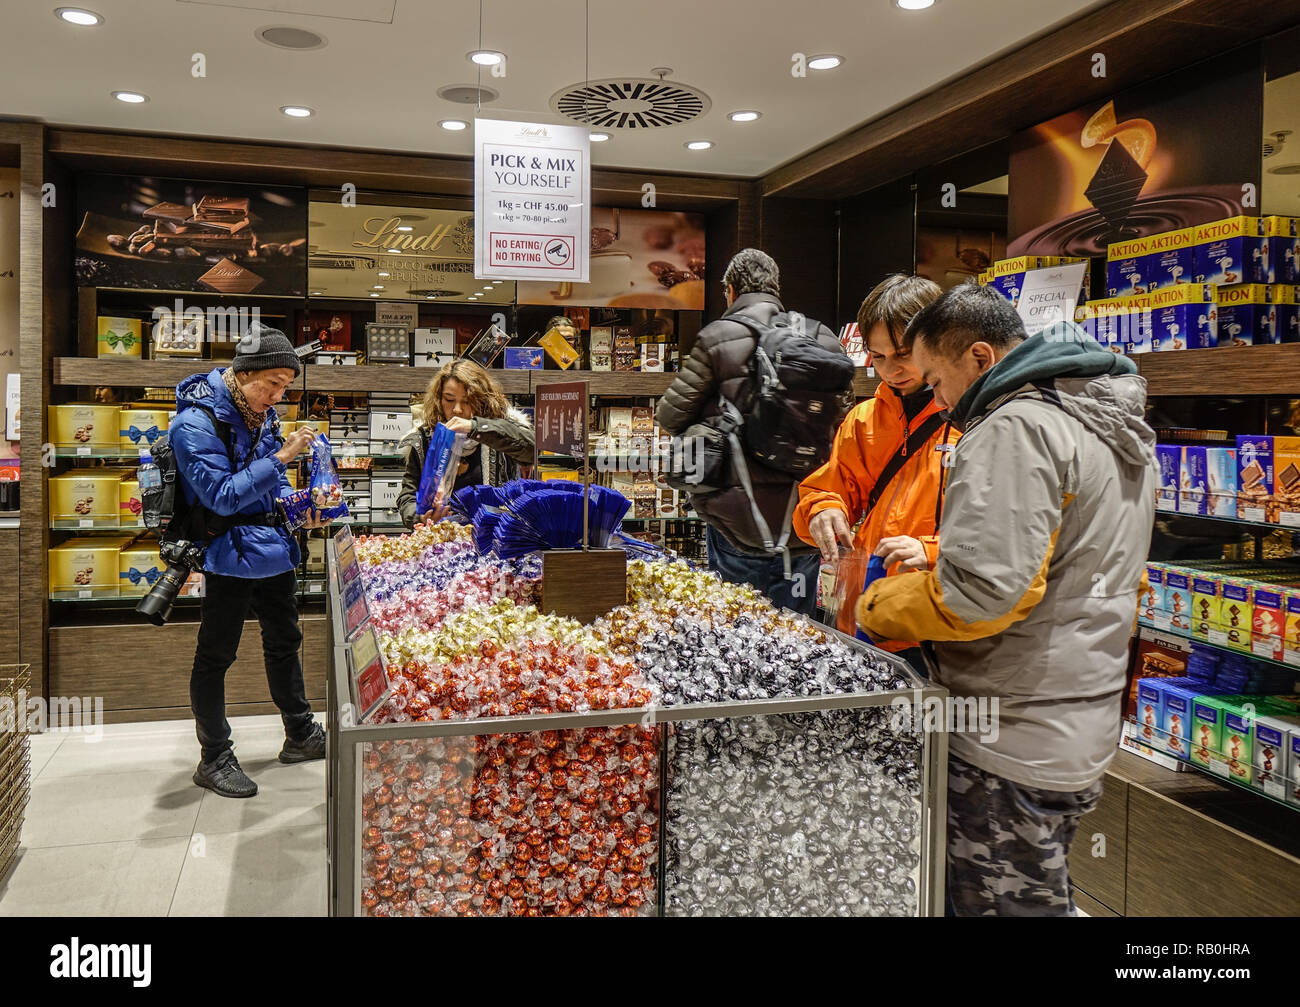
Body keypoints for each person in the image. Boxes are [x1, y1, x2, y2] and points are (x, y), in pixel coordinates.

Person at [854, 284, 1157, 917]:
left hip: (1012, 728)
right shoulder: (1105, 418)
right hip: (1076, 716)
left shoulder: (1016, 425)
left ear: (981, 357)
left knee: (1000, 901)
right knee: (1041, 891)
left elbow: (987, 592)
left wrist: (878, 605)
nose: (935, 399)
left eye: (936, 379)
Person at [169, 323, 330, 799]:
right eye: (273, 383)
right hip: (224, 551)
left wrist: (300, 509)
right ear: (245, 373)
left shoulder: (261, 415)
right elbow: (219, 496)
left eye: (285, 386)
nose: (278, 396)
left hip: (272, 548)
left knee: (285, 640)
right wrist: (282, 458)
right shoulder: (194, 423)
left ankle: (300, 733)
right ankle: (214, 757)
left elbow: (272, 489)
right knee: (216, 654)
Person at [656, 248, 848, 616]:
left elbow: (670, 415)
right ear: (777, 289)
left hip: (739, 516)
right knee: (799, 631)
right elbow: (841, 419)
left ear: (729, 290)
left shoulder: (719, 336)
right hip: (805, 517)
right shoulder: (822, 338)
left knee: (739, 629)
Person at [793, 275, 957, 669]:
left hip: (940, 625)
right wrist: (822, 508)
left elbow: (1003, 534)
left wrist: (932, 552)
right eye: (878, 357)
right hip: (866, 616)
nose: (890, 370)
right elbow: (828, 487)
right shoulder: (863, 419)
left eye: (902, 354)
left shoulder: (974, 421)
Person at [398, 359, 534, 528]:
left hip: (495, 537)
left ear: (482, 400)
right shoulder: (425, 438)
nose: (457, 409)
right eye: (449, 400)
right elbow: (407, 497)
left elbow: (532, 449)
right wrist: (420, 516)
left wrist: (475, 428)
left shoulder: (499, 430)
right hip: (441, 543)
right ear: (439, 400)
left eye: (467, 401)